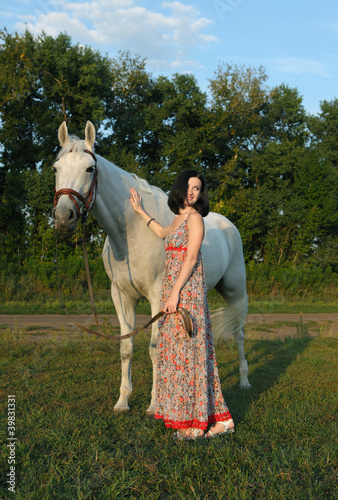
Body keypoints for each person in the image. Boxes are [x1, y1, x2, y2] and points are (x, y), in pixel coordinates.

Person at [130, 170, 234, 440]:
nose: (191, 192)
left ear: (201, 194)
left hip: (187, 293)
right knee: (177, 355)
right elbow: (163, 232)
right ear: (180, 188)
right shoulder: (178, 219)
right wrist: (141, 211)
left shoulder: (196, 219)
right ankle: (200, 416)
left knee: (190, 354)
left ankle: (196, 423)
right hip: (173, 292)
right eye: (188, 186)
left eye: (197, 188)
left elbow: (189, 260)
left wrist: (175, 292)